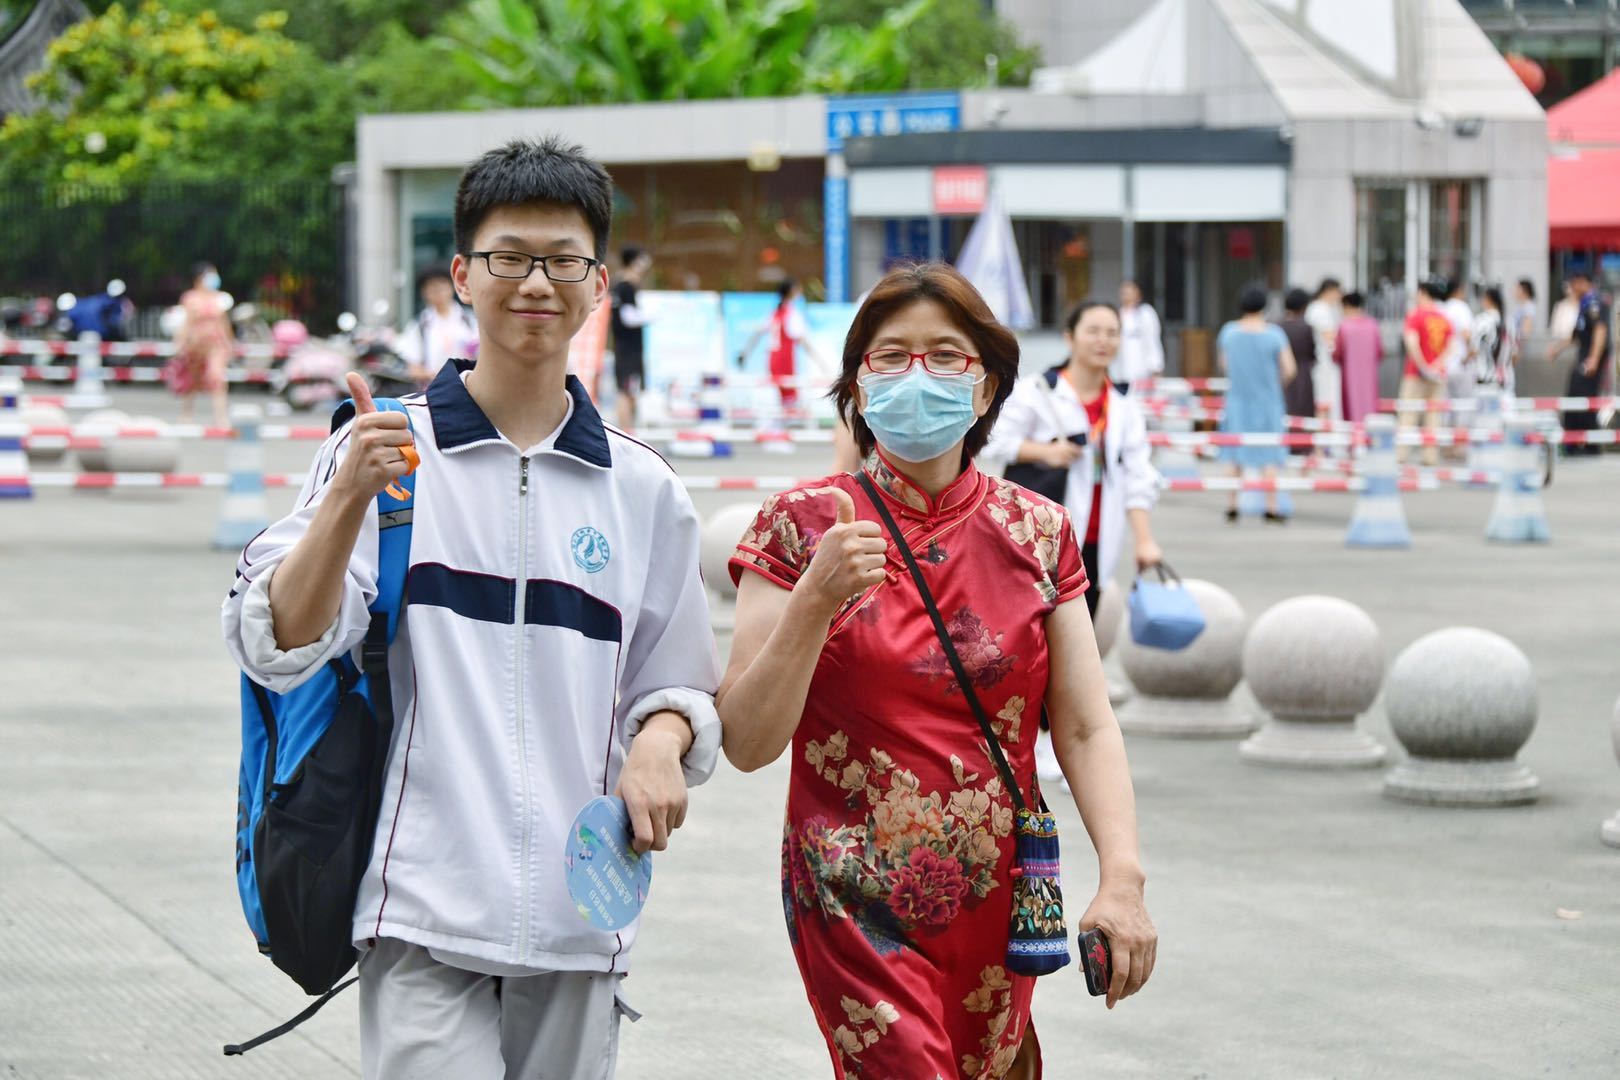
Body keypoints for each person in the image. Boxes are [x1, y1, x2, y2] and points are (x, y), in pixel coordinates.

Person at [222, 136, 722, 1079]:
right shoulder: (385, 452)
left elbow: (677, 680)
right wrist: (343, 505)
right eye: (507, 257)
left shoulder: (643, 487)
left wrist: (658, 745)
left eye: (562, 260)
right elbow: (276, 637)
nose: (535, 281)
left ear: (597, 283)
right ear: (462, 274)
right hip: (423, 909)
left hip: (584, 916)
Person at [717, 263, 1156, 1079]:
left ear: (986, 388)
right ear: (857, 383)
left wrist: (1122, 877)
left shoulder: (1039, 532)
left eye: (945, 355)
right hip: (851, 894)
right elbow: (745, 740)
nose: (917, 376)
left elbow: (1087, 725)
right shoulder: (796, 525)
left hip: (999, 902)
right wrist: (815, 598)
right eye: (891, 356)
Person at [985, 299, 1164, 790]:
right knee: (1035, 639)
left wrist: (1145, 540)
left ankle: (1056, 739)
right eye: (1093, 330)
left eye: (1112, 332)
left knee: (1076, 643)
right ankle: (1034, 738)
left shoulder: (1124, 404)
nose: (1103, 340)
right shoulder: (1040, 392)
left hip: (1097, 540)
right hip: (1040, 539)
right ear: (1070, 336)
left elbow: (1138, 475)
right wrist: (1047, 451)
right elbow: (993, 442)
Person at [1217, 286, 1296, 521]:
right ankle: (1271, 508)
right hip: (1268, 402)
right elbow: (1290, 369)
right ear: (1264, 306)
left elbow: (1224, 365)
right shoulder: (1274, 334)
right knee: (1269, 455)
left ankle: (1232, 506)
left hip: (1237, 401)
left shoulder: (1229, 333)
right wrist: (1275, 383)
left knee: (1233, 454)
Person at [1545, 269, 1611, 453]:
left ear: (1583, 281)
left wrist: (1594, 359)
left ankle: (1589, 445)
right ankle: (1573, 443)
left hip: (1589, 363)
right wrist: (1556, 349)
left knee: (1584, 401)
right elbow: (1576, 335)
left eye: (1574, 283)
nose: (1572, 288)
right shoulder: (1584, 304)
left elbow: (1600, 329)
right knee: (1574, 399)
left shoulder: (1594, 302)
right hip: (1583, 358)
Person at [737, 279, 824, 413]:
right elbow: (803, 341)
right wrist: (820, 361)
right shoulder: (791, 314)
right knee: (789, 402)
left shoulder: (775, 313)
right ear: (792, 292)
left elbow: (757, 333)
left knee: (783, 400)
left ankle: (778, 426)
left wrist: (745, 352)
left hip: (773, 361)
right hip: (784, 361)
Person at [165, 262, 234, 427]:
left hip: (215, 346)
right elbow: (185, 322)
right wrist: (179, 343)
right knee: (192, 380)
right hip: (194, 346)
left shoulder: (220, 298)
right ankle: (186, 414)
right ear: (199, 278)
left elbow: (224, 323)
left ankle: (221, 417)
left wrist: (230, 343)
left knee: (217, 377)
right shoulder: (190, 298)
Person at [1398, 278, 1454, 467]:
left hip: (1416, 374)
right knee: (1433, 416)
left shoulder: (1415, 315)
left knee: (1408, 414)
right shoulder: (1444, 318)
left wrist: (1424, 367)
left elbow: (1411, 343)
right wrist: (1436, 366)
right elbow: (1451, 348)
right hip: (1438, 376)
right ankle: (1430, 457)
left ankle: (1401, 455)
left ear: (1422, 293)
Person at [396, 267, 478, 386]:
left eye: (441, 286)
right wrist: (438, 377)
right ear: (424, 292)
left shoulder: (470, 320)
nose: (438, 292)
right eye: (432, 288)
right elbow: (413, 368)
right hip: (434, 390)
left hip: (470, 388)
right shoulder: (419, 325)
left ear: (453, 287)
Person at [609, 246, 653, 430]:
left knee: (630, 391)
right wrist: (652, 316)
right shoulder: (625, 287)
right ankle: (627, 432)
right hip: (628, 348)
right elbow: (628, 317)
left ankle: (629, 430)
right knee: (626, 391)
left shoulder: (620, 285)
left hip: (626, 347)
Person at [1332, 291, 1383, 425]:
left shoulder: (1344, 326)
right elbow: (1380, 352)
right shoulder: (1373, 325)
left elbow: (1337, 353)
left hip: (1349, 377)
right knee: (1370, 406)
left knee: (1351, 409)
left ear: (1347, 306)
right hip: (1369, 377)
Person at [1111, 279, 1164, 389]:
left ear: (1138, 294)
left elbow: (1152, 341)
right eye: (1123, 292)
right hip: (1119, 372)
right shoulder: (1116, 315)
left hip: (1142, 371)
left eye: (1129, 292)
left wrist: (1156, 367)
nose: (1126, 295)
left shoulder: (1145, 313)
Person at [1304, 278, 1343, 422]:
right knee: (1324, 403)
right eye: (1338, 292)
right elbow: (1330, 337)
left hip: (1325, 364)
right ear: (1329, 291)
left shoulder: (1322, 309)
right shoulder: (1319, 309)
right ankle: (1321, 441)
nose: (1339, 296)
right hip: (1323, 364)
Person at [1278, 288, 1317, 425]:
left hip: (1281, 375)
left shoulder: (1277, 326)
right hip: (1303, 375)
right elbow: (1312, 354)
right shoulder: (1306, 328)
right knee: (1303, 416)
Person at [1441, 278, 1476, 406]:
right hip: (1461, 364)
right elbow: (1467, 334)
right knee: (1464, 406)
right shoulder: (1461, 308)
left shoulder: (1442, 309)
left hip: (1444, 365)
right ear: (1457, 290)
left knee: (1446, 407)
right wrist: (1469, 355)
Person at [1471, 286, 1513, 392]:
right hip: (1506, 380)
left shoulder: (1482, 320)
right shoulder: (1509, 321)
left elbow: (1473, 350)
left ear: (1488, 299)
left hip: (1485, 380)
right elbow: (1515, 353)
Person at [1509, 278, 1538, 374]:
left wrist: (1518, 350)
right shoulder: (1520, 307)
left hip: (1520, 349)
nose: (1515, 291)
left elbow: (1525, 331)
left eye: (1518, 289)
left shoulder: (1528, 307)